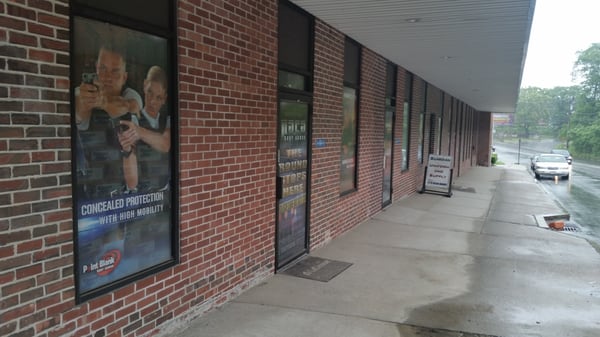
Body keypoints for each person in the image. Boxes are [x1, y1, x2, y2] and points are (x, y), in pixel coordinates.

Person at [75, 43, 142, 198]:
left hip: (118, 190)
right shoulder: (83, 93)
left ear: (124, 77)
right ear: (96, 68)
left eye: (115, 71)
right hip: (86, 189)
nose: (107, 77)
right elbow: (79, 110)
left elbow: (131, 106)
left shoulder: (130, 94)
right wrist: (87, 103)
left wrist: (102, 102)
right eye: (103, 69)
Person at [119, 66, 171, 191]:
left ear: (164, 99)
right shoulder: (134, 119)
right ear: (144, 85)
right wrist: (126, 150)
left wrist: (139, 131)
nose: (152, 101)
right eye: (149, 92)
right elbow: (132, 183)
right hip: (142, 195)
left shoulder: (167, 119)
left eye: (158, 97)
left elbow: (165, 144)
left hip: (164, 192)